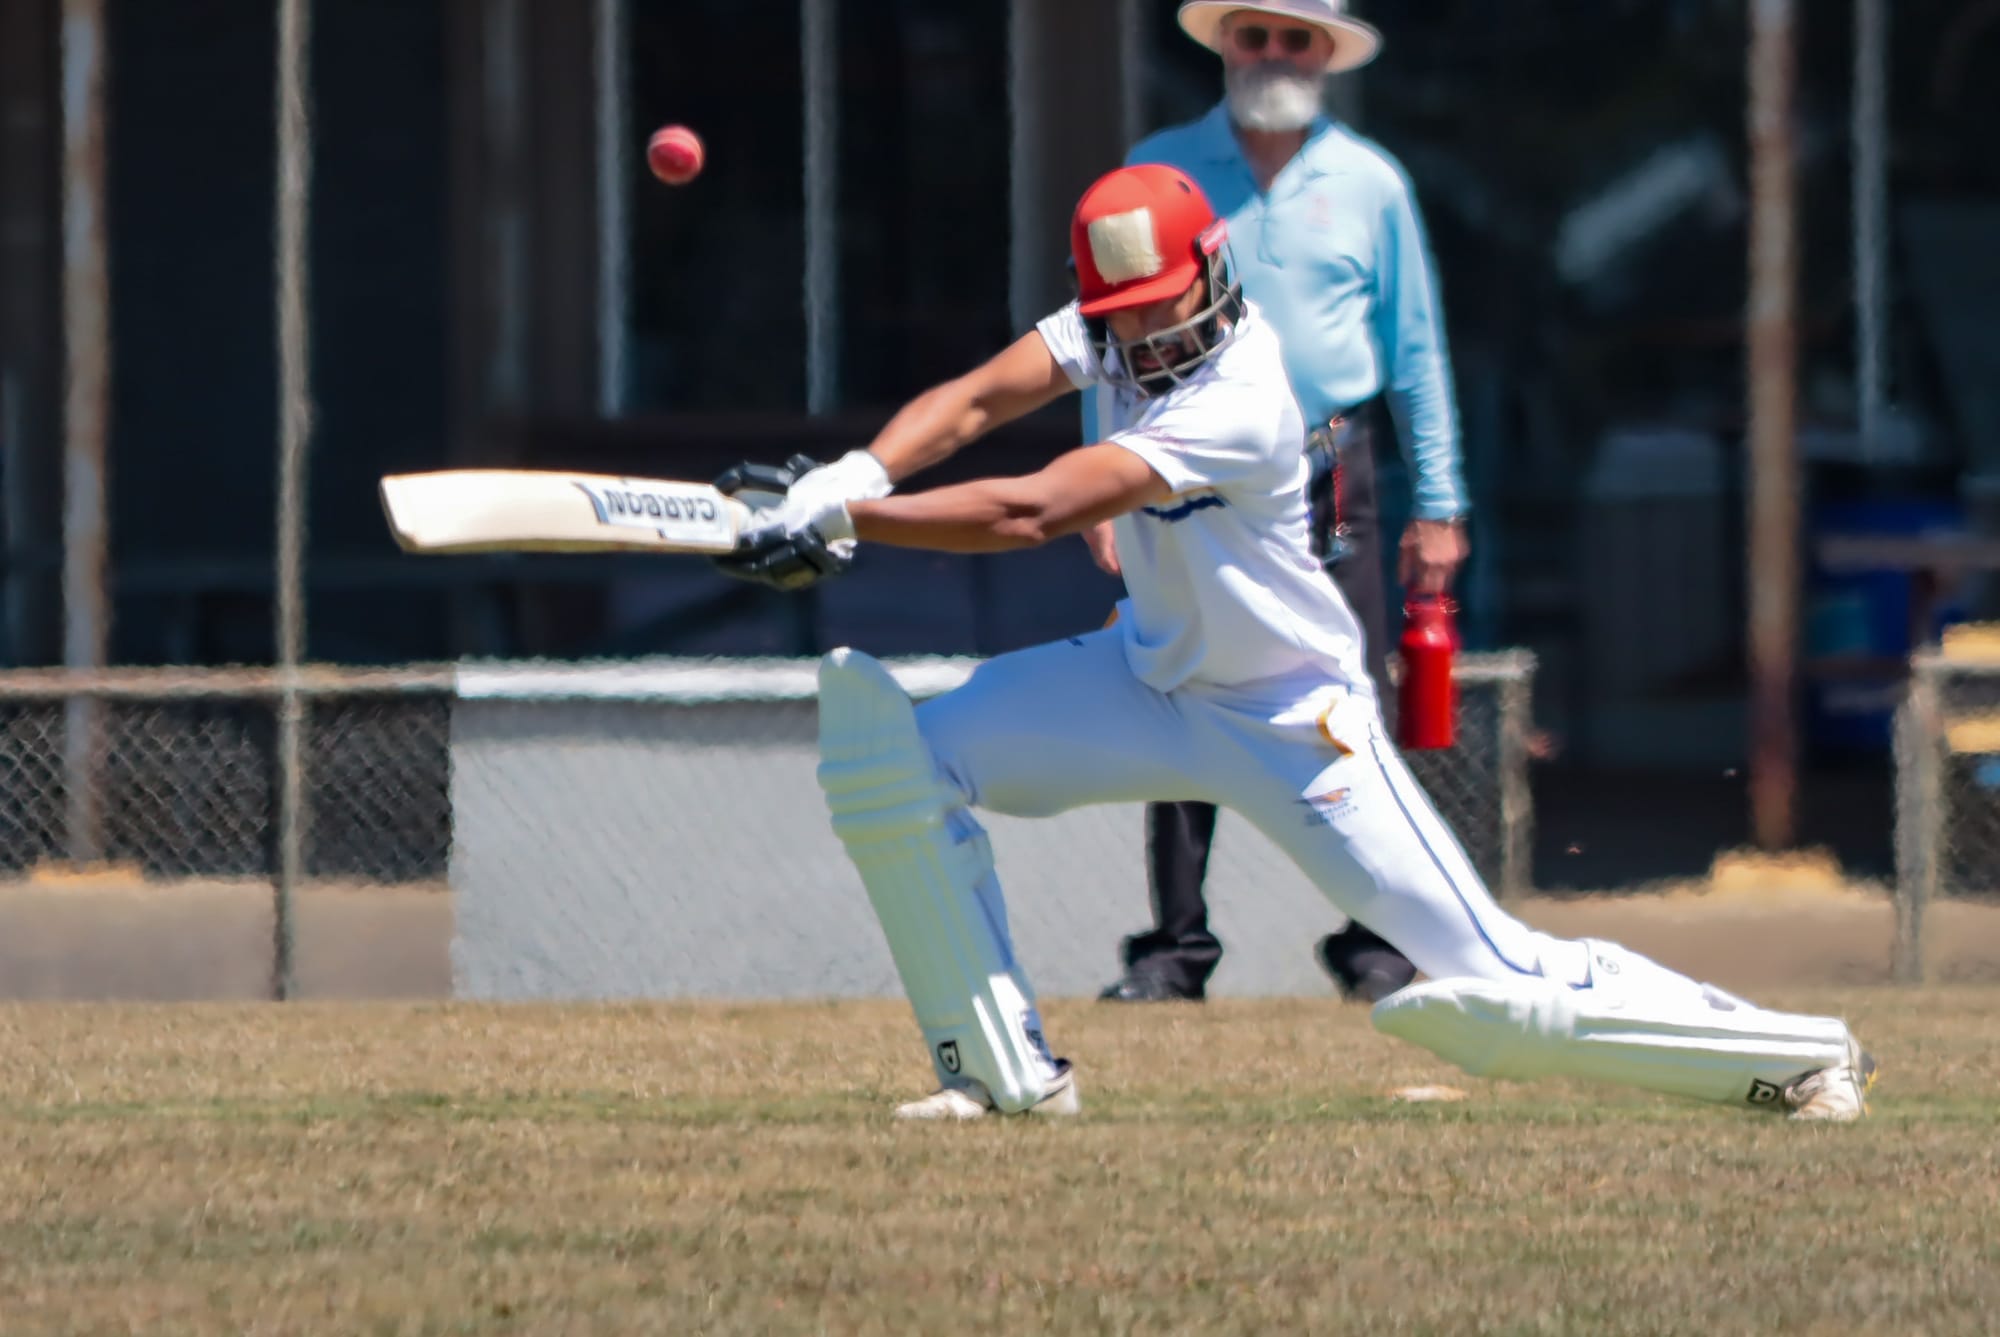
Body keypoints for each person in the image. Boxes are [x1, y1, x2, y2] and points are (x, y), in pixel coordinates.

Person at [712, 163, 1874, 1124]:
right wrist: (854, 472)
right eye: (1121, 317)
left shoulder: (1242, 395)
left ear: (1212, 271)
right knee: (897, 758)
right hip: (1143, 680)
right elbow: (972, 402)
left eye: (1162, 304)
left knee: (1496, 980)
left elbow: (1035, 509)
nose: (1144, 335)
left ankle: (1798, 1053)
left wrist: (849, 520)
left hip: (1290, 720)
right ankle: (1001, 1076)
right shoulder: (1107, 330)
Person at [1094, 0, 1462, 1005]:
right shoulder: (1157, 174)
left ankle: (1380, 936)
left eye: (1293, 37)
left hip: (1329, 459)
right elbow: (1110, 332)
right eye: (1252, 35)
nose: (1270, 56)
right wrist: (1100, 479)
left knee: (1352, 692)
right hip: (1185, 462)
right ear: (1222, 46)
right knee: (1176, 681)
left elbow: (1416, 353)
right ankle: (1172, 947)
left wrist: (1439, 501)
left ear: (1326, 55)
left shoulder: (1371, 183)